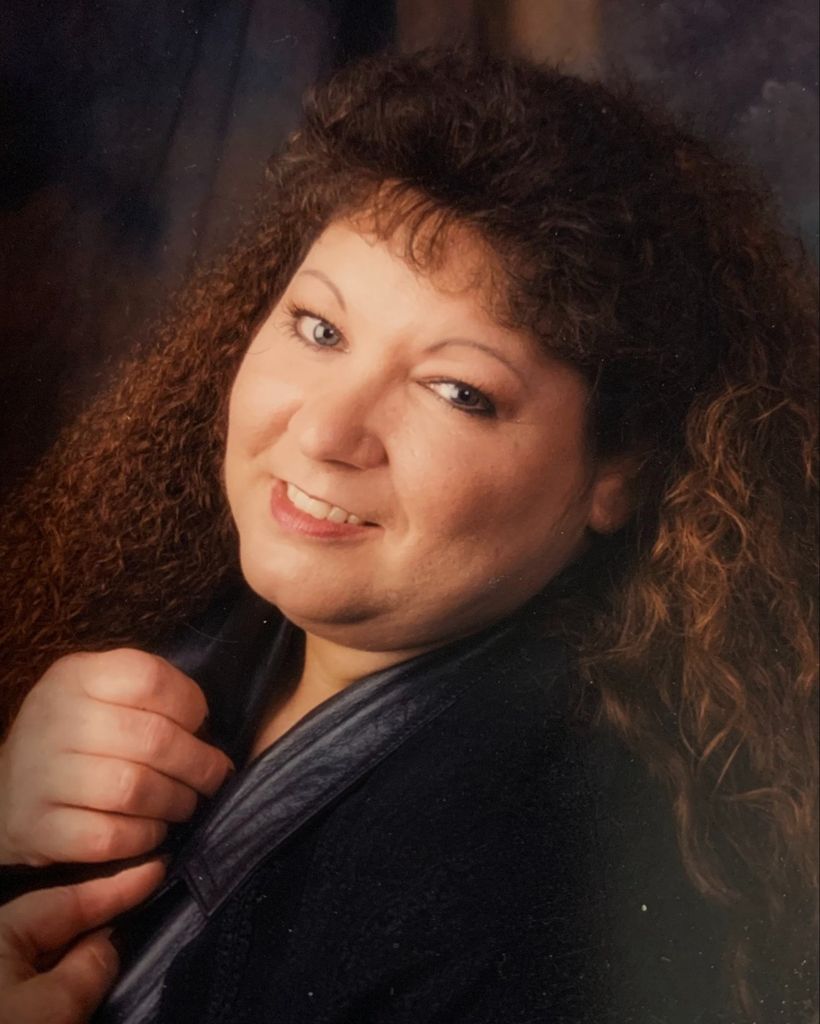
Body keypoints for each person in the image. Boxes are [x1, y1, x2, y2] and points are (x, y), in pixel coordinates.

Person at [0, 48, 816, 1024]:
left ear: (619, 473)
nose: (324, 431)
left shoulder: (534, 897)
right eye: (319, 329)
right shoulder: (196, 625)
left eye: (456, 390)